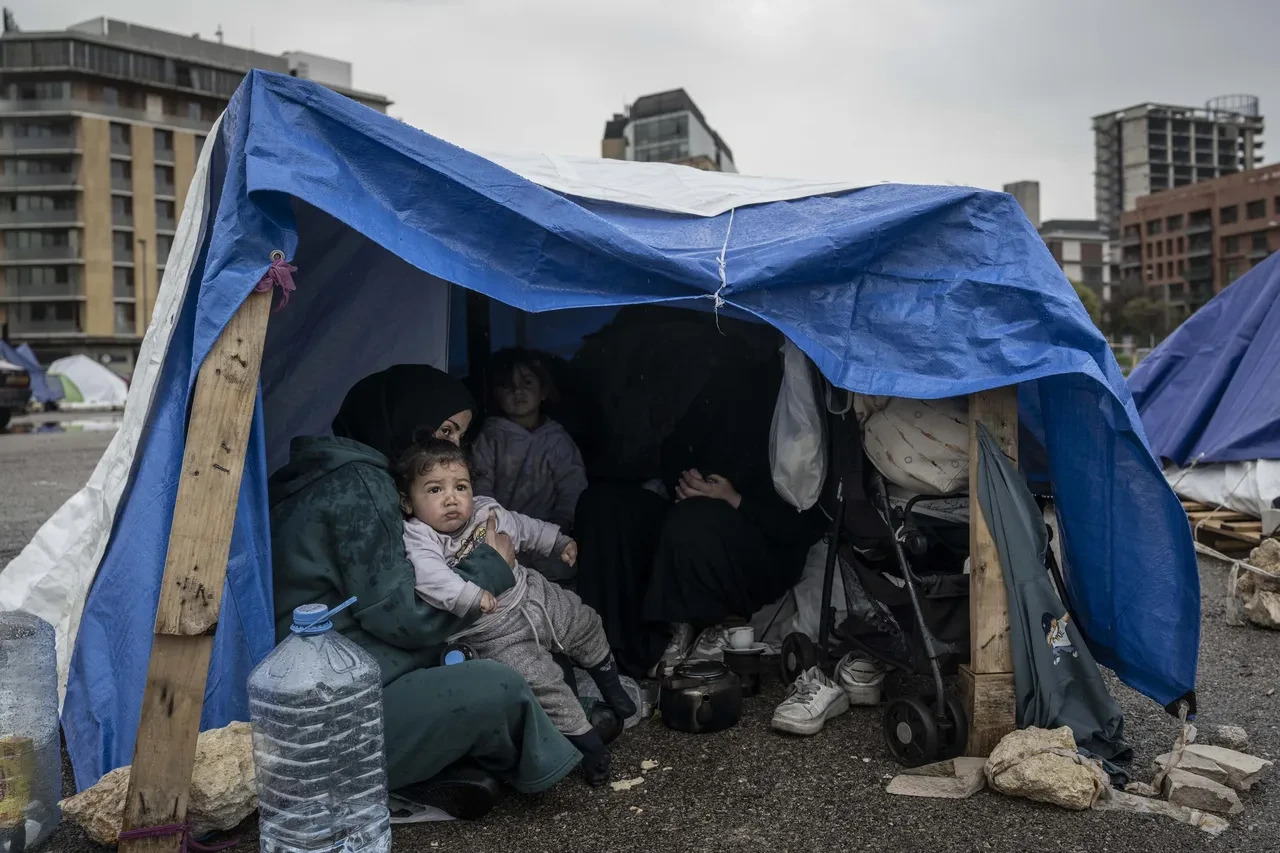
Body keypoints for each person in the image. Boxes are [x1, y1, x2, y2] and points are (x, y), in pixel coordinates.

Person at [268, 364, 583, 818]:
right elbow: (404, 619)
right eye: (445, 429)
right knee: (497, 682)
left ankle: (452, 769)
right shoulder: (362, 486)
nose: (451, 447)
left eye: (458, 435)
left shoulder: (334, 472)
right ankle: (548, 752)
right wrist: (493, 566)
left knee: (484, 655)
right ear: (405, 420)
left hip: (331, 686)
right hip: (336, 714)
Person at [397, 438, 635, 785]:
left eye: (460, 486)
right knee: (545, 683)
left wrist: (558, 542)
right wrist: (470, 594)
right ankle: (590, 748)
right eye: (434, 490)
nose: (451, 498)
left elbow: (524, 528)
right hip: (490, 631)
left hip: (532, 594)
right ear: (407, 501)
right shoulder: (419, 538)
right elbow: (431, 578)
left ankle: (613, 689)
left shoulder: (485, 512)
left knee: (585, 621)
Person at [575, 354, 827, 677]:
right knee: (602, 505)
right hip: (691, 513)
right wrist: (687, 482)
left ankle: (687, 627)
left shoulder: (805, 399)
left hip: (762, 543)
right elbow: (676, 448)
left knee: (692, 522)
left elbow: (802, 522)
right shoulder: (732, 380)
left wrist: (733, 499)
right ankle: (601, 647)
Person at [472, 348, 588, 583]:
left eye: (527, 382)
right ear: (495, 394)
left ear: (543, 390)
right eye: (507, 385)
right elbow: (481, 490)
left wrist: (561, 526)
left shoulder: (556, 439)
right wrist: (496, 527)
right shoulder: (490, 437)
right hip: (504, 535)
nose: (518, 391)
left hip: (552, 537)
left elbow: (573, 488)